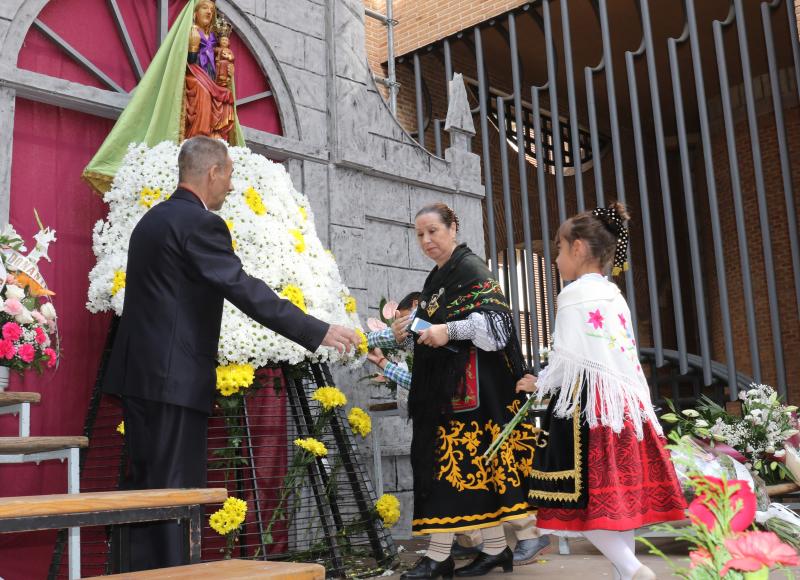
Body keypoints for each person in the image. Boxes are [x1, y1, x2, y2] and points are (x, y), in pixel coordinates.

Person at [103, 136, 359, 571]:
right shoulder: (200, 224)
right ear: (213, 172)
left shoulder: (151, 220)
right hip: (174, 382)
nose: (231, 188)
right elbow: (244, 289)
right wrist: (316, 330)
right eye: (229, 177)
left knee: (142, 490)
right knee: (176, 494)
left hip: (140, 379)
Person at [517, 203, 686, 580]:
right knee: (615, 501)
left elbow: (568, 362)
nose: (556, 258)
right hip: (624, 409)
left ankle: (632, 568)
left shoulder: (573, 295)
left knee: (579, 501)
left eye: (559, 249)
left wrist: (538, 383)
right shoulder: (613, 294)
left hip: (587, 412)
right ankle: (626, 573)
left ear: (578, 248)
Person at [399, 203, 538, 579]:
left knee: (451, 473)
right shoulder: (438, 277)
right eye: (420, 234)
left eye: (433, 231)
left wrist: (449, 330)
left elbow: (497, 327)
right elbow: (435, 324)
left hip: (476, 399)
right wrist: (411, 326)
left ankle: (439, 556)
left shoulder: (472, 269)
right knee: (467, 476)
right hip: (452, 398)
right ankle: (494, 550)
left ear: (453, 228)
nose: (427, 240)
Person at [370, 294, 550, 567]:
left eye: (404, 317)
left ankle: (528, 533)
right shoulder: (432, 335)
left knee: (496, 472)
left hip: (486, 412)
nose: (405, 326)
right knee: (462, 475)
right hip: (456, 415)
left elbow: (423, 378)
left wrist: (384, 357)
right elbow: (421, 380)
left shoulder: (448, 325)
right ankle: (473, 541)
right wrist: (384, 359)